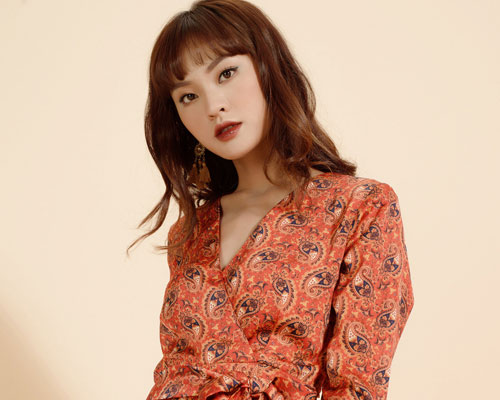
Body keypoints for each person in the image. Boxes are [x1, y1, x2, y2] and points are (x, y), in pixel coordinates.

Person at [127, 0, 415, 399]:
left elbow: (357, 385)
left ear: (268, 66)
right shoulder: (188, 233)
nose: (213, 106)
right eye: (187, 96)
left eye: (226, 73)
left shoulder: (360, 207)